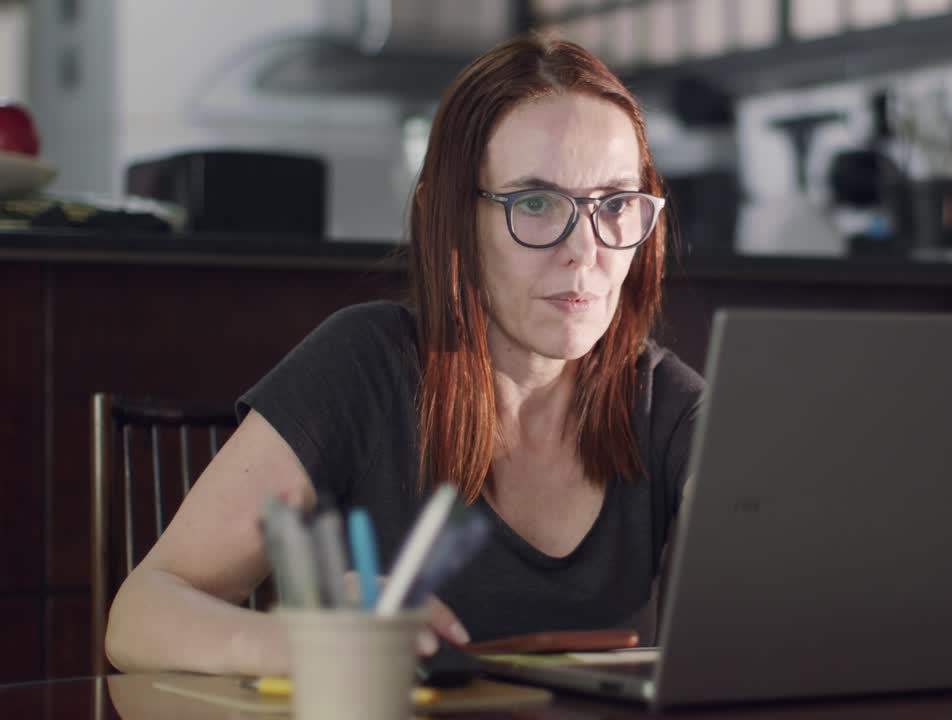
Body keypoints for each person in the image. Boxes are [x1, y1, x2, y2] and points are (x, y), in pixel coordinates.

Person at [104, 33, 704, 675]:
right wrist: (303, 645)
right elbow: (140, 616)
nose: (585, 250)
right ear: (450, 218)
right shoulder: (364, 366)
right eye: (535, 202)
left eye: (616, 204)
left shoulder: (664, 402)